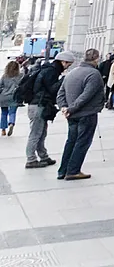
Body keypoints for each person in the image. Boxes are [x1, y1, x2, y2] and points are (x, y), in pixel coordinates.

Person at [56, 48, 104, 180]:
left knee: (71, 141)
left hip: (72, 115)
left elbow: (60, 93)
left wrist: (64, 107)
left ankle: (63, 170)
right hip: (86, 113)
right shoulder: (94, 74)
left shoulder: (72, 72)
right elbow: (86, 96)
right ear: (96, 59)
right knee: (82, 142)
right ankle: (73, 170)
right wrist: (70, 109)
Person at [25, 51, 71, 169]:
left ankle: (43, 156)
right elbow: (52, 89)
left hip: (38, 104)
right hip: (38, 105)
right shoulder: (51, 71)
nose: (67, 67)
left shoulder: (47, 69)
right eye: (68, 64)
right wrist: (63, 80)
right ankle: (31, 159)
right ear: (62, 62)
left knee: (41, 132)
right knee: (36, 133)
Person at [0, 60, 20, 136]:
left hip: (3, 97)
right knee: (12, 112)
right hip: (14, 97)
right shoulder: (20, 76)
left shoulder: (4, 76)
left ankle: (3, 130)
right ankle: (11, 123)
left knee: (4, 113)